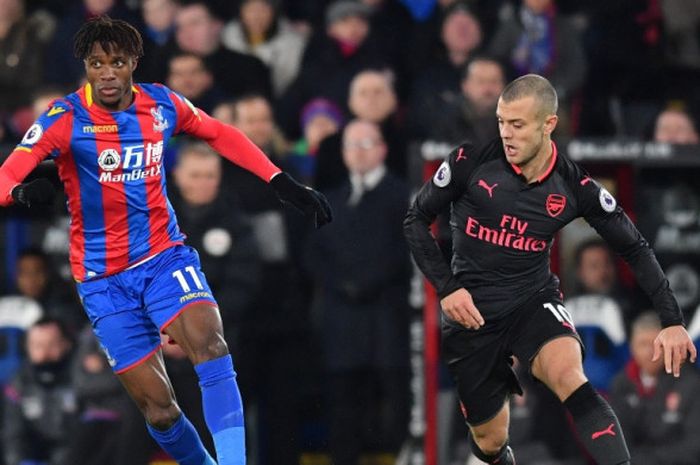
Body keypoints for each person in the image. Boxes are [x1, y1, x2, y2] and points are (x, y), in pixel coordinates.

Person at [0, 16, 331, 465]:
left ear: (134, 62)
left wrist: (277, 178)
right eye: (97, 63)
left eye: (117, 62)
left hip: (162, 256)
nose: (108, 73)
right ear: (87, 66)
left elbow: (219, 132)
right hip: (102, 280)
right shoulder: (64, 118)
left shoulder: (161, 104)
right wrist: (20, 192)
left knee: (210, 343)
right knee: (159, 410)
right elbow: (6, 175)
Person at [403, 73, 696, 465]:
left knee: (569, 375)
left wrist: (671, 319)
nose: (506, 134)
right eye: (501, 122)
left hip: (532, 298)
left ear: (549, 124)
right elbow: (415, 220)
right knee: (490, 440)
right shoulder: (468, 162)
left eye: (518, 124)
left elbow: (634, 246)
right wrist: (446, 287)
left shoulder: (574, 185)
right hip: (472, 309)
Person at [306, 119, 411, 465]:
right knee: (343, 405)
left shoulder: (403, 198)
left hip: (387, 317)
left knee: (395, 401)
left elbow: (404, 252)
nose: (359, 152)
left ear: (382, 149)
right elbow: (315, 255)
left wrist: (366, 283)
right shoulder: (331, 200)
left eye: (367, 143)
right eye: (352, 144)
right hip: (342, 320)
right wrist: (342, 285)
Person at [609, 312, 700, 465]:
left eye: (656, 345)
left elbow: (694, 446)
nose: (650, 352)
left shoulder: (690, 383)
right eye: (642, 344)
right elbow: (617, 442)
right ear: (631, 347)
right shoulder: (621, 384)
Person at [3, 317, 76, 465]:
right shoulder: (18, 384)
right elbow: (13, 435)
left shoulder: (80, 379)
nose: (45, 353)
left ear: (66, 344)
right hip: (33, 455)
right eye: (37, 346)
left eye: (52, 344)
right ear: (27, 347)